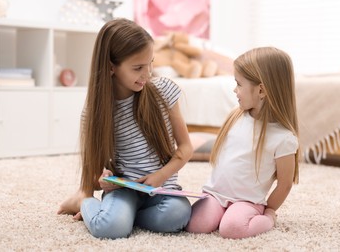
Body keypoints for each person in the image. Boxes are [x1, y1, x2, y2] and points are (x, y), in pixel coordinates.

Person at [57, 18, 193, 239]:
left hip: (161, 189)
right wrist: (100, 179)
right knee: (109, 229)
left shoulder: (165, 91)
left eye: (151, 63)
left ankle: (124, 218)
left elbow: (186, 148)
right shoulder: (96, 112)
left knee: (178, 215)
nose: (148, 73)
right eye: (138, 68)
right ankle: (85, 202)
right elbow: (94, 175)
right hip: (125, 190)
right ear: (111, 67)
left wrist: (160, 176)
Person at [185, 47, 300, 239]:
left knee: (232, 229)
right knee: (194, 225)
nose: (234, 90)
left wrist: (269, 211)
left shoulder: (284, 138)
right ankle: (222, 213)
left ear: (261, 90)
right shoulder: (236, 117)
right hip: (215, 195)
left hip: (247, 201)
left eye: (239, 84)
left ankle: (268, 219)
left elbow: (285, 183)